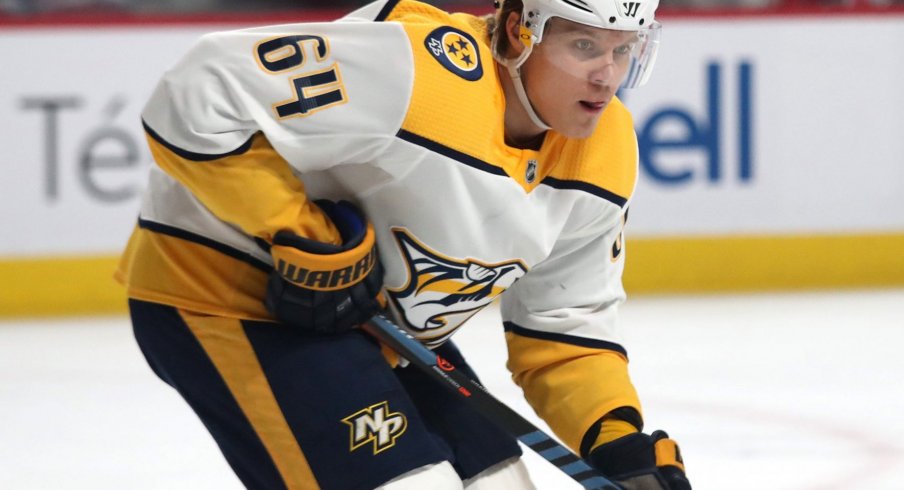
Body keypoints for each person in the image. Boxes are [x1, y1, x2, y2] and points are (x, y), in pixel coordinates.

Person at [116, 0, 691, 488]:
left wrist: (615, 438)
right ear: (519, 31)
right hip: (227, 295)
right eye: (585, 46)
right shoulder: (424, 72)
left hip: (374, 326)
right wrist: (295, 227)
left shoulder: (607, 150)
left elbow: (562, 320)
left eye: (624, 50)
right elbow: (199, 88)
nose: (606, 75)